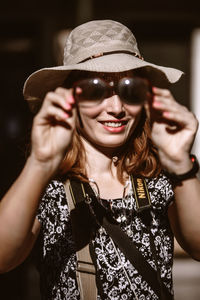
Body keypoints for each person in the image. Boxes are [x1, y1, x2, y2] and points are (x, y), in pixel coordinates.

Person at [0, 19, 200, 300]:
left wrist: (181, 165)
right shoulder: (48, 182)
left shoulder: (158, 174)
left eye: (129, 89)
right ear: (70, 98)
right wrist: (40, 163)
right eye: (96, 90)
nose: (116, 108)